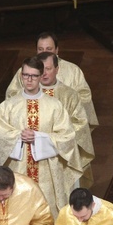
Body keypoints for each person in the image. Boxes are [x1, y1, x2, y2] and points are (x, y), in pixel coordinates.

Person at [0, 57, 82, 218]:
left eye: (34, 76)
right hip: (18, 172)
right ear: (21, 76)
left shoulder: (55, 106)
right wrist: (19, 136)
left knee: (47, 214)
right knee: (19, 214)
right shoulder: (7, 107)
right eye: (26, 75)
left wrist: (39, 138)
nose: (29, 79)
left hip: (47, 172)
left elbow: (67, 137)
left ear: (41, 76)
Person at [6, 31, 98, 126]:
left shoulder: (72, 70)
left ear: (57, 50)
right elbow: (11, 97)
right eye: (40, 49)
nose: (44, 52)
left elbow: (84, 96)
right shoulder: (25, 71)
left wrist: (62, 108)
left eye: (49, 49)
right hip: (29, 124)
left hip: (62, 125)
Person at [38, 51, 95, 188]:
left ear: (57, 70)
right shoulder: (29, 96)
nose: (44, 73)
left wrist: (55, 138)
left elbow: (80, 123)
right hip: (36, 155)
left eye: (48, 69)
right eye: (41, 69)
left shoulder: (69, 94)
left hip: (63, 154)